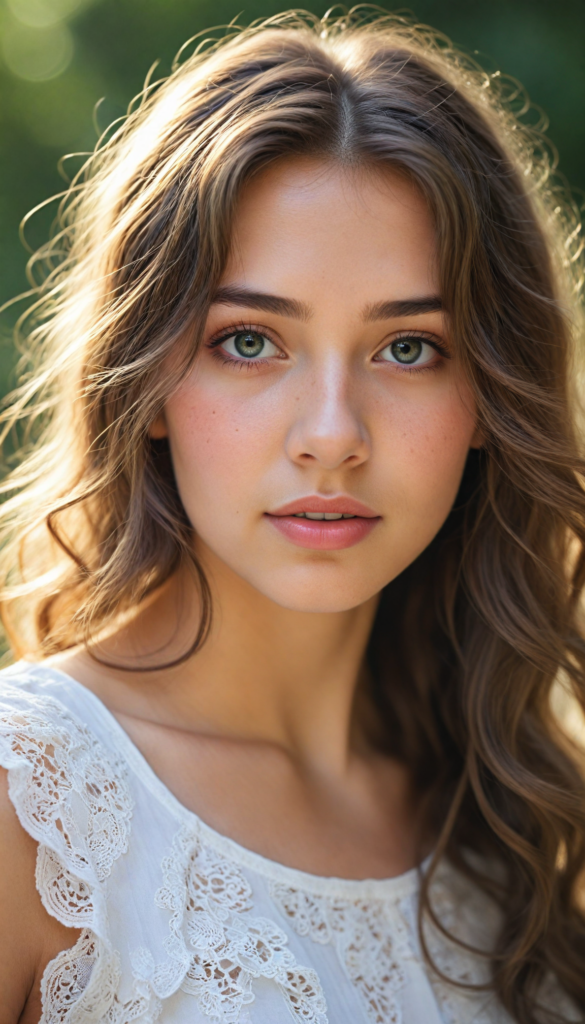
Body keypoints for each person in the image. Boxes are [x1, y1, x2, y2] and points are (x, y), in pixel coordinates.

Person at [0, 9, 583, 1023]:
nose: (331, 435)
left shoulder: (515, 821)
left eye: (408, 348)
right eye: (249, 341)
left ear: (492, 398)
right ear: (145, 382)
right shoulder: (35, 811)